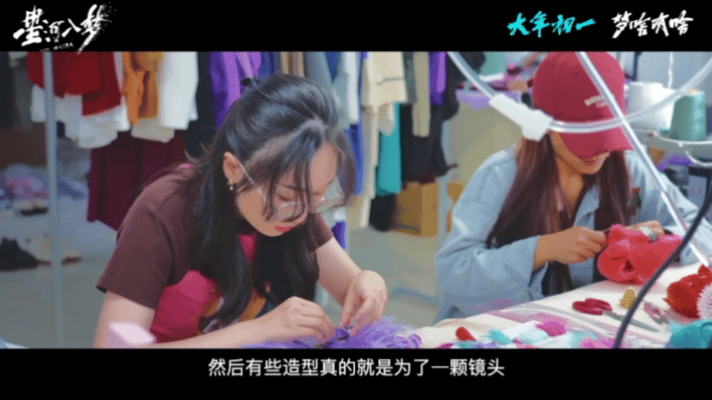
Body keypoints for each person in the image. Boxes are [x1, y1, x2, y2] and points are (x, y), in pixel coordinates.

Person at [93, 74, 388, 348]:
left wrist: (368, 282)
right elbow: (114, 347)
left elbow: (351, 286)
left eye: (318, 196)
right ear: (233, 168)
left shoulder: (293, 209)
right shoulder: (163, 212)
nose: (301, 215)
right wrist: (257, 330)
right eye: (287, 195)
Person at [434, 52, 712, 322]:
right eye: (586, 137)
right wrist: (542, 249)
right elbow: (454, 273)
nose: (600, 152)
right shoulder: (501, 175)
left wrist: (662, 238)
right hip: (495, 330)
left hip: (581, 325)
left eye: (606, 134)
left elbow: (703, 234)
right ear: (542, 122)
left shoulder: (629, 169)